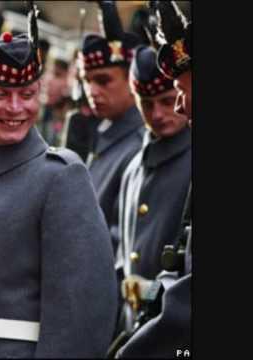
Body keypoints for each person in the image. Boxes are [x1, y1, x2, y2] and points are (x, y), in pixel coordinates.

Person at [0, 27, 117, 358]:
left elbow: (83, 313)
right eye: (1, 95)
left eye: (28, 94)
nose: (16, 108)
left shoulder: (60, 176)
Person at [116, 1, 192, 356]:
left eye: (171, 96)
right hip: (141, 323)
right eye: (147, 104)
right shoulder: (133, 166)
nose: (164, 112)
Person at [78, 1, 144, 252]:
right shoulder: (103, 131)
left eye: (104, 80)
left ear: (131, 80)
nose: (92, 91)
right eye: (87, 80)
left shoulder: (138, 144)